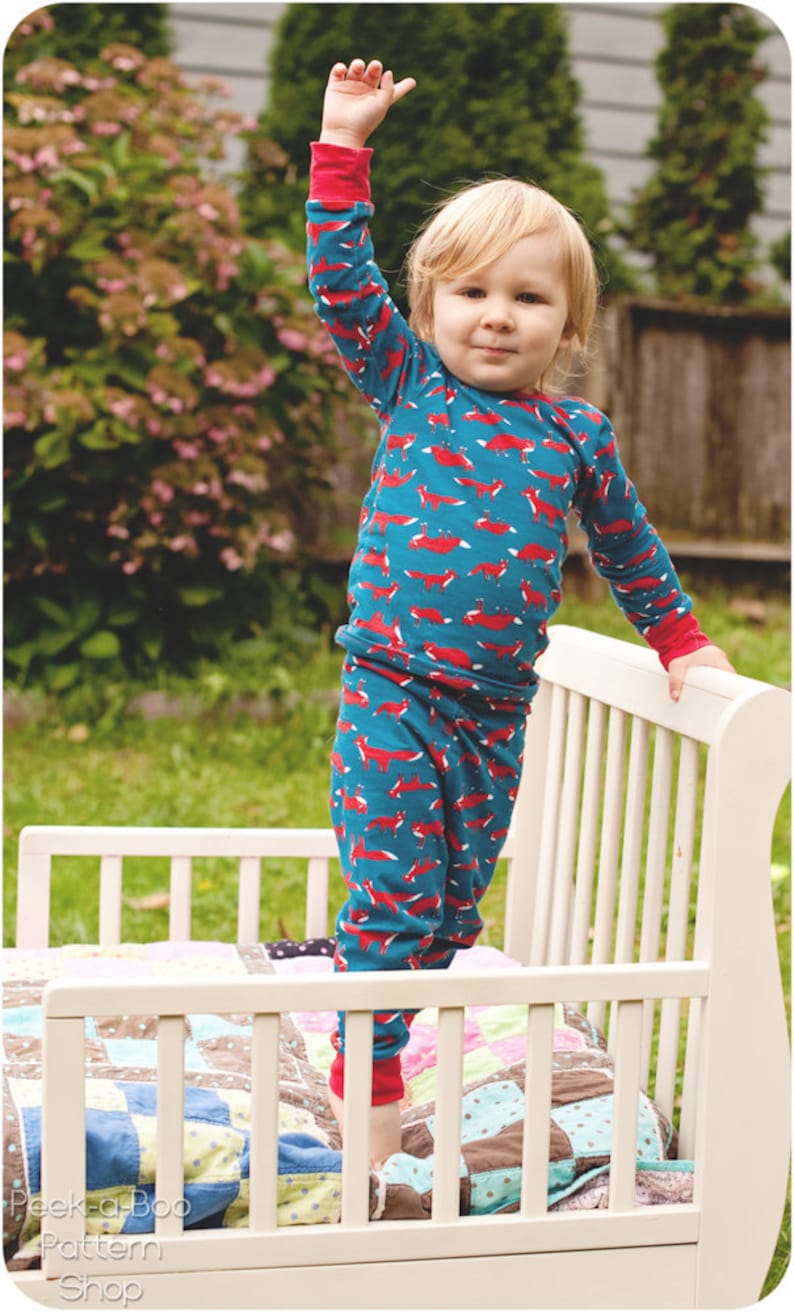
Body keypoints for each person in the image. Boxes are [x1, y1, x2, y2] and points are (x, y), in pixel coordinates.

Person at [306, 57, 734, 1168]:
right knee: (396, 898)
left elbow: (630, 549)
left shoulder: (574, 439)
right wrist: (344, 145)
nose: (496, 318)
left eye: (527, 297)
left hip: (494, 713)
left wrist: (679, 639)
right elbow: (340, 279)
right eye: (470, 292)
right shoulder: (408, 384)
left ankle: (396, 995)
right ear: (428, 306)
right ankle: (372, 1056)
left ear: (570, 324)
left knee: (453, 907)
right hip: (391, 689)